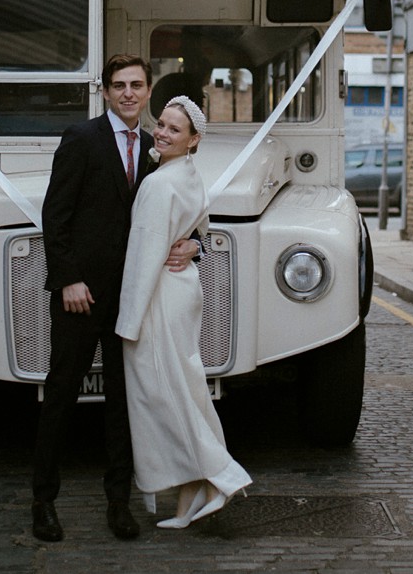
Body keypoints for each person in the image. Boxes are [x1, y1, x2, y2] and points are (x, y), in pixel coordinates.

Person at [31, 55, 200, 543]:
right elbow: (55, 215)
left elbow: (187, 213)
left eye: (137, 85)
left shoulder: (158, 146)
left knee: (125, 404)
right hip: (81, 297)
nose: (129, 93)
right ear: (105, 92)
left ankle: (118, 503)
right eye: (119, 85)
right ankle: (43, 502)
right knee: (60, 396)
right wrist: (67, 280)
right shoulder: (81, 139)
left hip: (135, 301)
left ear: (148, 93)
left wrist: (197, 246)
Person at [117, 95, 251, 528]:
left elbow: (145, 254)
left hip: (158, 295)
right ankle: (190, 491)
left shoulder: (158, 182)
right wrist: (193, 241)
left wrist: (129, 321)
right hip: (182, 290)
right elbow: (203, 224)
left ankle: (218, 476)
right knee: (182, 388)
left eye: (175, 129)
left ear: (193, 140)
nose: (162, 132)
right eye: (162, 124)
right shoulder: (187, 173)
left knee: (163, 394)